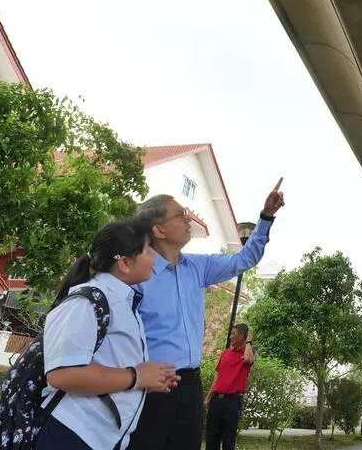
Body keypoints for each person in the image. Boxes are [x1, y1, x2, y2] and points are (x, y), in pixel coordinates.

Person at [128, 179, 285, 450]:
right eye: (180, 215)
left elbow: (244, 259)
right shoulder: (137, 274)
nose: (188, 218)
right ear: (159, 229)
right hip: (151, 387)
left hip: (190, 385)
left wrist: (266, 216)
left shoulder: (198, 267)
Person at [36, 219, 180, 450]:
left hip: (99, 438)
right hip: (73, 434)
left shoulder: (121, 303)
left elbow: (110, 365)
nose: (154, 259)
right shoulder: (87, 302)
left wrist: (146, 380)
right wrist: (136, 377)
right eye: (147, 251)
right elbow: (62, 375)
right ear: (124, 262)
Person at [204, 324, 256, 450]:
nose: (230, 336)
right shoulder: (226, 353)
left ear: (243, 336)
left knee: (228, 441)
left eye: (234, 334)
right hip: (216, 401)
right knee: (211, 439)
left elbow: (248, 360)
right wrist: (208, 397)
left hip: (232, 402)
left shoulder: (250, 352)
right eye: (231, 333)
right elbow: (218, 377)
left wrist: (248, 341)